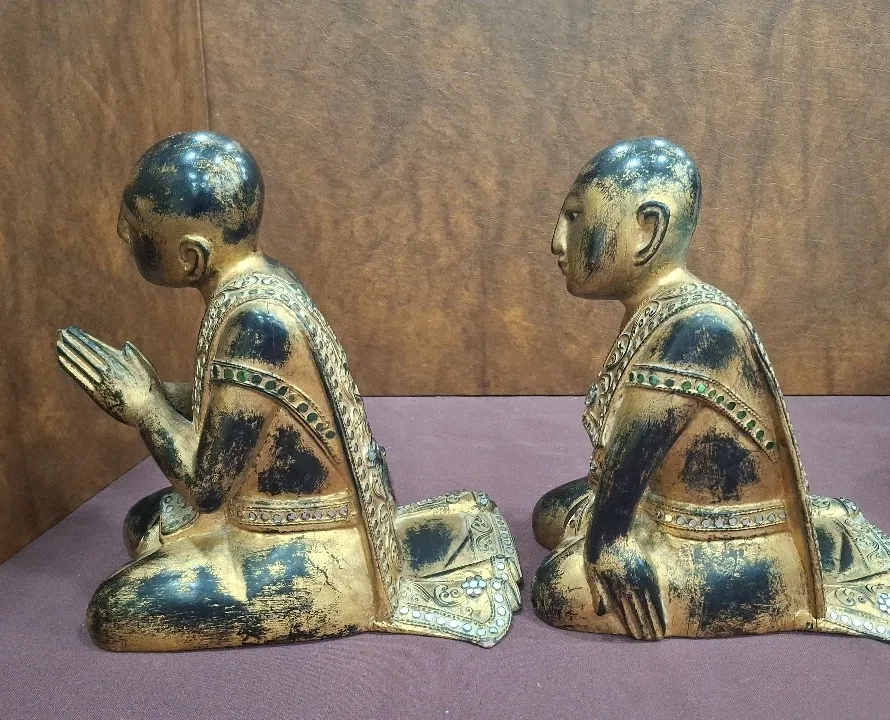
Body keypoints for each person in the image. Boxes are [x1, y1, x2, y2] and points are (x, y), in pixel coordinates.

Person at [57, 132, 520, 651]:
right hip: (256, 511)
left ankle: (343, 594)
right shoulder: (259, 280)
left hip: (307, 545)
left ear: (191, 257)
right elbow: (242, 413)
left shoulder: (256, 320)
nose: (123, 235)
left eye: (136, 228)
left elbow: (206, 487)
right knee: (142, 521)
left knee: (113, 612)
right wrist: (160, 393)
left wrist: (144, 407)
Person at [532, 137, 890, 642]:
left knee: (557, 588)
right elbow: (624, 462)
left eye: (575, 217)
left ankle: (770, 590)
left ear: (647, 230)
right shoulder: (656, 309)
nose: (556, 241)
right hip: (659, 507)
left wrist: (608, 544)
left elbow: (634, 451)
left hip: (725, 543)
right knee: (549, 513)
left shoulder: (699, 328)